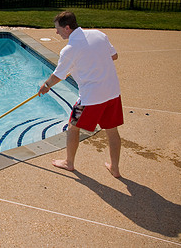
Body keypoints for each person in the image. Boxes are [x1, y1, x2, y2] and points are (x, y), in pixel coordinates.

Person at [38, 11, 124, 178]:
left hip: (91, 98)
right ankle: (115, 168)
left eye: (58, 29)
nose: (56, 32)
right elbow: (114, 56)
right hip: (112, 92)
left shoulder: (69, 49)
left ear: (67, 28)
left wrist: (46, 86)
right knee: (112, 131)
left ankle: (69, 163)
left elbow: (58, 75)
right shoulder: (98, 34)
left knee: (72, 127)